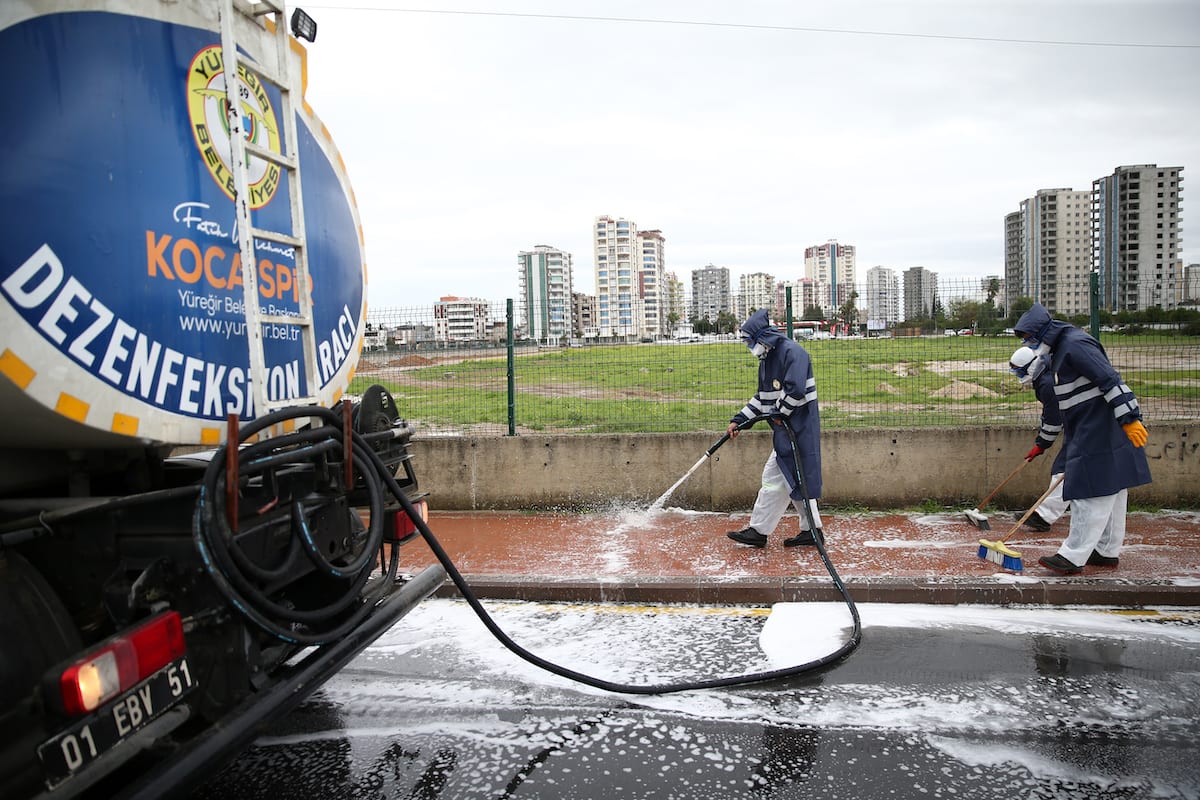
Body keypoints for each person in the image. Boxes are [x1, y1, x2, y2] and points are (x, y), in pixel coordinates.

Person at [1012, 303, 1151, 575]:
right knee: (1114, 487)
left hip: (1099, 427)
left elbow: (1109, 379)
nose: (1028, 343)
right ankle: (1106, 551)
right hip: (1093, 426)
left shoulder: (1074, 345)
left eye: (1029, 337)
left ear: (1041, 332)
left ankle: (1072, 556)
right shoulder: (1060, 349)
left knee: (1091, 489)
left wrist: (1130, 418)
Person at [724, 309, 823, 548]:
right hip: (785, 430)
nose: (747, 345)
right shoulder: (767, 360)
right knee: (793, 480)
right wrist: (740, 420)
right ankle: (811, 531)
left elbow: (796, 390)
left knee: (781, 477)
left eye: (748, 340)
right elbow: (763, 397)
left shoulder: (792, 353)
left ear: (761, 336)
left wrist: (780, 413)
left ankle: (759, 531)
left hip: (798, 429)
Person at [1008, 345, 1068, 533]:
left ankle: (1043, 516)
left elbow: (1053, 418)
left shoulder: (1047, 382)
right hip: (1082, 423)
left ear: (1030, 366)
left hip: (1089, 424)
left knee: (1065, 468)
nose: (1019, 377)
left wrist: (1041, 445)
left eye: (1020, 372)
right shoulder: (1046, 373)